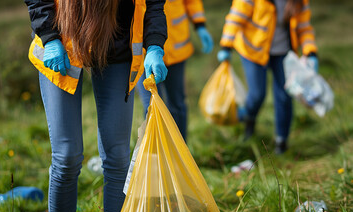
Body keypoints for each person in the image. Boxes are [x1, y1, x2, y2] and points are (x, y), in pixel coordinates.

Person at [23, 0, 168, 212]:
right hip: (62, 41)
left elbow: (153, 4)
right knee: (67, 155)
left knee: (117, 154)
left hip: (117, 46)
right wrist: (49, 37)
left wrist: (155, 46)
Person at [217, 0, 318, 154]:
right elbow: (236, 16)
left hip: (283, 52)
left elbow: (304, 28)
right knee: (257, 94)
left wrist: (310, 52)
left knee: (284, 96)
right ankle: (249, 120)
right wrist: (226, 45)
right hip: (253, 50)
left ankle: (281, 141)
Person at [136, 0, 214, 141]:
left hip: (176, 50)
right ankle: (155, 154)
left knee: (177, 104)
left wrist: (199, 24)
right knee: (150, 107)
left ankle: (181, 151)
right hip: (144, 55)